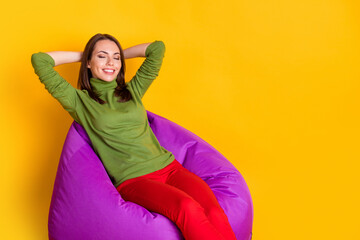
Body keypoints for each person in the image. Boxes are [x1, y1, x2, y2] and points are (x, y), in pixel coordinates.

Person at [31, 33, 237, 240]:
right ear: (88, 63)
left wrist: (116, 54)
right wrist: (84, 55)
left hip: (171, 168)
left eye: (116, 57)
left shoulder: (132, 91)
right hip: (134, 180)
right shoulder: (79, 102)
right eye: (102, 56)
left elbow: (157, 49)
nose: (111, 62)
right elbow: (40, 61)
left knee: (213, 210)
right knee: (187, 207)